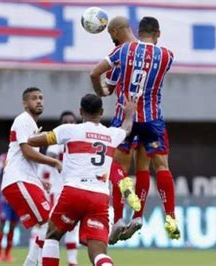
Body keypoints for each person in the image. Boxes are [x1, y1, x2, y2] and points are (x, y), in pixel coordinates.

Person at [90, 16, 180, 241]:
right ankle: (164, 217)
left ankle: (119, 217)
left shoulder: (122, 52)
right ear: (157, 34)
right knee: (157, 166)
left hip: (125, 118)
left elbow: (97, 76)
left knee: (118, 164)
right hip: (152, 119)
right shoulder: (167, 56)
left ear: (137, 31)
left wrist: (100, 91)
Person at [27, 94, 136, 266]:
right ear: (101, 112)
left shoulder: (69, 130)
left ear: (80, 111)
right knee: (98, 253)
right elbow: (127, 128)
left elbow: (33, 142)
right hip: (100, 197)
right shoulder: (112, 134)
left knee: (52, 236)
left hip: (74, 192)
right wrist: (130, 113)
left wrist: (32, 135)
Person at [1, 87, 62, 266]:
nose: (39, 101)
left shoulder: (32, 125)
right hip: (17, 179)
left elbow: (23, 157)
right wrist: (54, 162)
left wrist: (40, 180)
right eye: (34, 98)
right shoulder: (23, 120)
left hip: (26, 179)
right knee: (49, 222)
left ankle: (31, 262)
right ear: (25, 103)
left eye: (41, 98)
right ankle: (31, 262)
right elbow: (26, 152)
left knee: (47, 223)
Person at [34, 111, 79, 266]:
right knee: (48, 230)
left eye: (72, 122)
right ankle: (39, 260)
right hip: (56, 193)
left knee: (72, 230)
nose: (69, 125)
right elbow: (52, 155)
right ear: (60, 124)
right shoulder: (57, 142)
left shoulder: (79, 142)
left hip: (73, 191)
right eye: (65, 122)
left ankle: (72, 262)